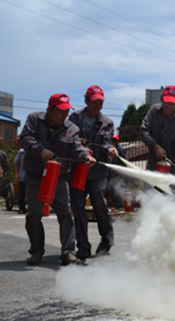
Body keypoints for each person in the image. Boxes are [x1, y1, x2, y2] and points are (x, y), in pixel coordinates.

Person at [19, 93, 95, 266]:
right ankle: (36, 251)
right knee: (34, 214)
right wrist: (40, 149)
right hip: (36, 177)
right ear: (49, 109)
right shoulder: (34, 120)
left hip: (59, 178)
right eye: (60, 111)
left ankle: (68, 252)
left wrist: (86, 157)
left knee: (65, 213)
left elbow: (77, 147)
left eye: (66, 111)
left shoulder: (72, 128)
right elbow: (24, 138)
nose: (64, 115)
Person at [69, 85, 117, 260]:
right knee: (78, 207)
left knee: (100, 205)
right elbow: (69, 137)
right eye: (94, 102)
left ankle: (106, 240)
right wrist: (77, 141)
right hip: (78, 170)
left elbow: (106, 140)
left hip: (98, 171)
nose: (97, 106)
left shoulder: (107, 122)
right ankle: (83, 246)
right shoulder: (74, 117)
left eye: (100, 103)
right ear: (86, 101)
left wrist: (110, 148)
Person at [140, 85, 175, 175]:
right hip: (152, 166)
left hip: (173, 170)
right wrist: (156, 147)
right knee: (149, 188)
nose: (169, 106)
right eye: (167, 102)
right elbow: (144, 131)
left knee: (170, 189)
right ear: (162, 98)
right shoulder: (154, 112)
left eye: (173, 103)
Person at [109, 134, 128, 209]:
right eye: (112, 140)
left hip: (119, 172)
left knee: (120, 187)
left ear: (118, 141)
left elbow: (124, 161)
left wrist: (122, 171)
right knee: (113, 189)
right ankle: (115, 204)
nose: (113, 141)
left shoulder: (121, 150)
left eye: (115, 140)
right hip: (112, 172)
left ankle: (121, 205)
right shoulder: (110, 149)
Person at [14, 138, 27, 214]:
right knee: (22, 193)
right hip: (22, 176)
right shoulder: (21, 152)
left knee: (31, 193)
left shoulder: (33, 151)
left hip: (31, 176)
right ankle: (21, 208)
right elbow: (16, 163)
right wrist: (16, 174)